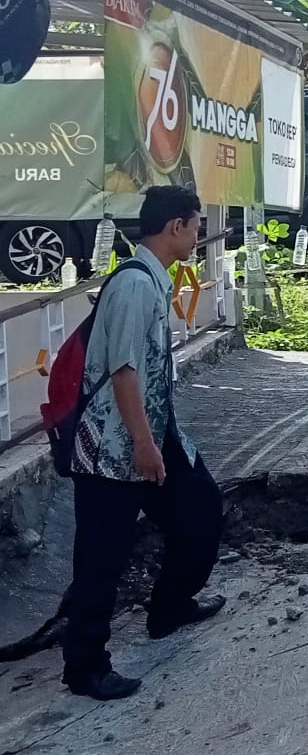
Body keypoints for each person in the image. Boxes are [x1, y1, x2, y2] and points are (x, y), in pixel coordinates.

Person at [61, 185, 225, 700]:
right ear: (175, 226)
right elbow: (124, 371)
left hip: (149, 438)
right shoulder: (135, 287)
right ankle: (85, 666)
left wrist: (158, 441)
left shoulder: (153, 279)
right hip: (114, 450)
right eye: (197, 225)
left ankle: (170, 606)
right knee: (100, 558)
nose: (200, 235)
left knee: (200, 510)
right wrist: (143, 444)